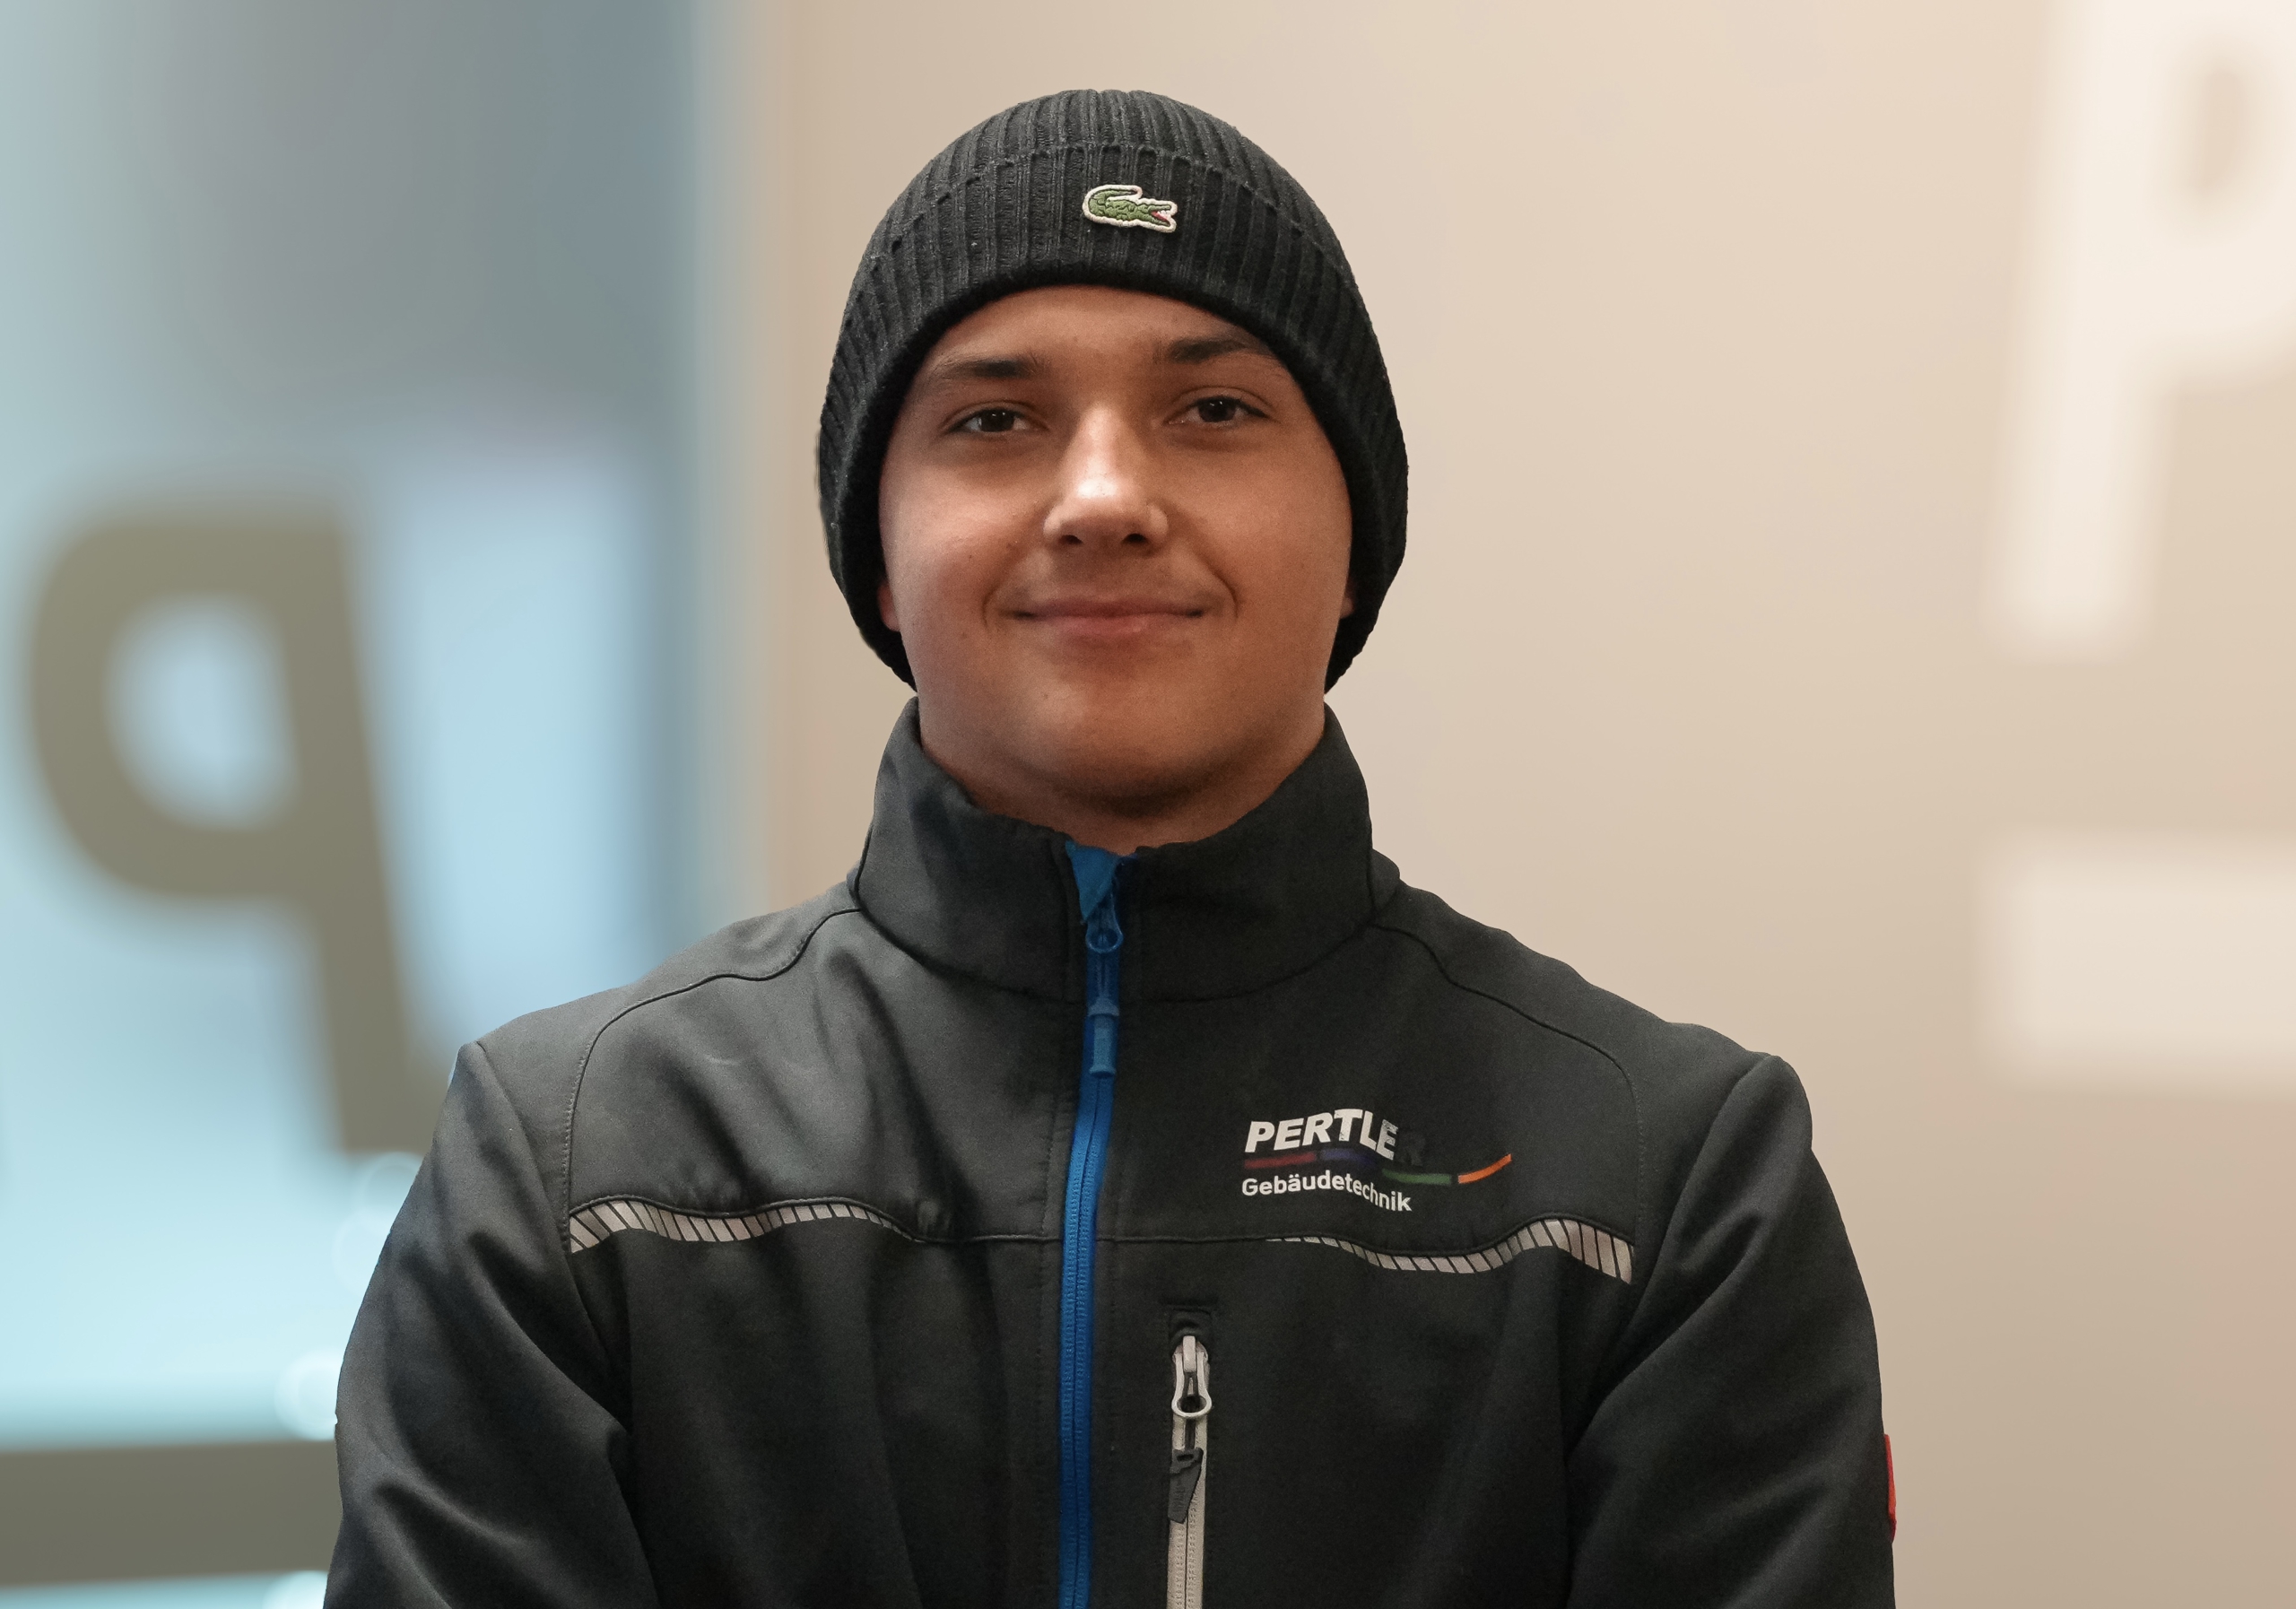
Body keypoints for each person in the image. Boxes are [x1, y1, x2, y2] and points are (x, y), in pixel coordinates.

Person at [329, 90, 1892, 1607]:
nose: (1103, 498)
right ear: (878, 561)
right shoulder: (578, 1175)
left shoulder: (1663, 1186)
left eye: (1213, 411)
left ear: (1357, 538)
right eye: (995, 419)